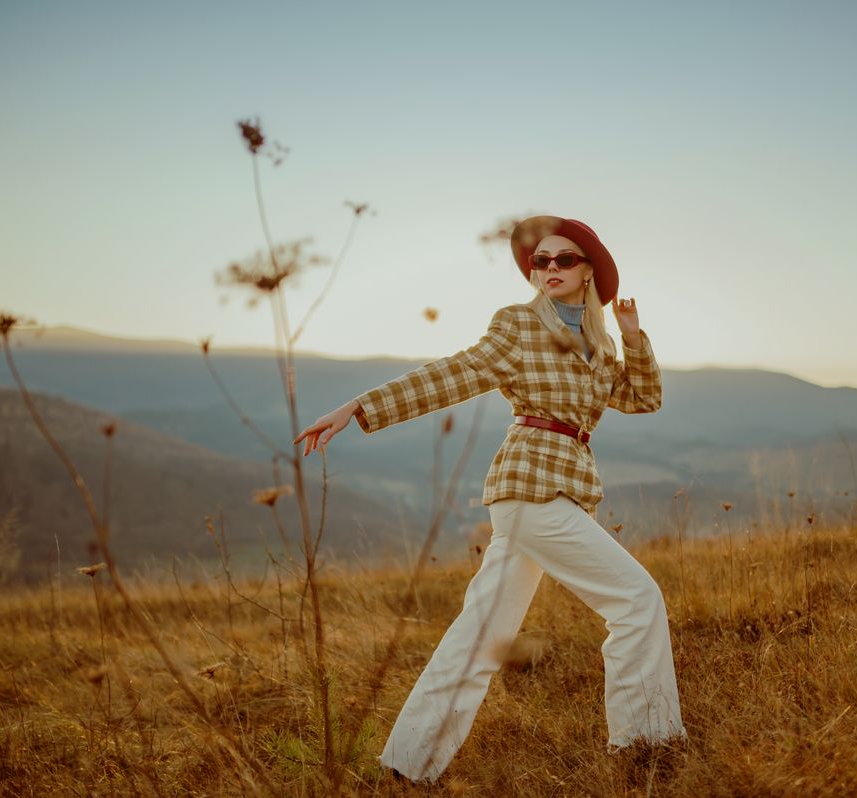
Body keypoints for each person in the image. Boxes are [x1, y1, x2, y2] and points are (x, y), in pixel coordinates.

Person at [293, 215, 686, 783]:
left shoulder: (597, 347)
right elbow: (456, 373)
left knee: (481, 636)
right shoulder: (518, 327)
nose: (548, 268)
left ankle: (408, 766)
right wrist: (359, 407)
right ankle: (644, 747)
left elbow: (644, 398)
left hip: (563, 494)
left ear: (588, 274)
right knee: (638, 600)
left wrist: (631, 334)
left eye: (563, 260)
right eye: (540, 261)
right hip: (529, 489)